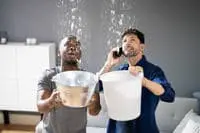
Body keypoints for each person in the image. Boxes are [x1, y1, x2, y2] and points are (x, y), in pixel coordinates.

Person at [98, 28, 175, 133]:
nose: (127, 43)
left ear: (142, 47)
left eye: (132, 40)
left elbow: (169, 95)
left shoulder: (154, 71)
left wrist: (142, 80)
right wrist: (108, 64)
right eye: (124, 41)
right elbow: (97, 87)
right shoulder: (121, 71)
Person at [36, 35, 101, 133]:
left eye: (76, 45)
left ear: (80, 54)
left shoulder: (89, 79)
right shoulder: (48, 76)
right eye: (67, 44)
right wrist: (51, 101)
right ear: (58, 52)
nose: (72, 47)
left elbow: (94, 112)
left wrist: (92, 104)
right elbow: (40, 107)